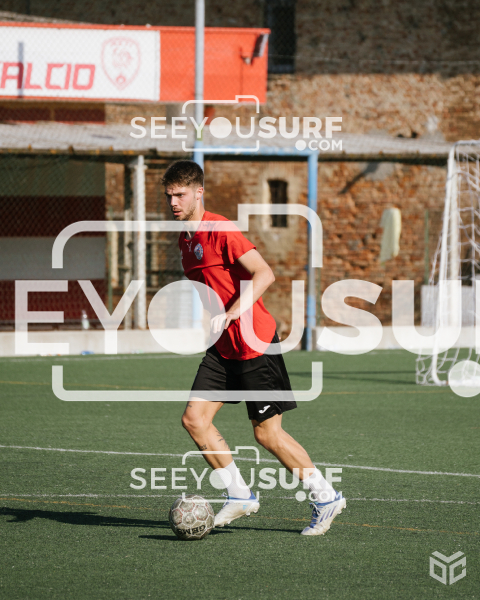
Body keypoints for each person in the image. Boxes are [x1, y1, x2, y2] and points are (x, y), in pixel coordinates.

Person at [162, 159, 346, 536]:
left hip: (254, 343)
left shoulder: (221, 229)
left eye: (180, 194)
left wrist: (232, 313)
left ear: (199, 192)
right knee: (195, 419)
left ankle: (326, 497)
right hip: (223, 346)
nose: (174, 202)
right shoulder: (186, 240)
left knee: (267, 434)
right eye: (169, 196)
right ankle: (240, 495)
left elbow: (265, 273)